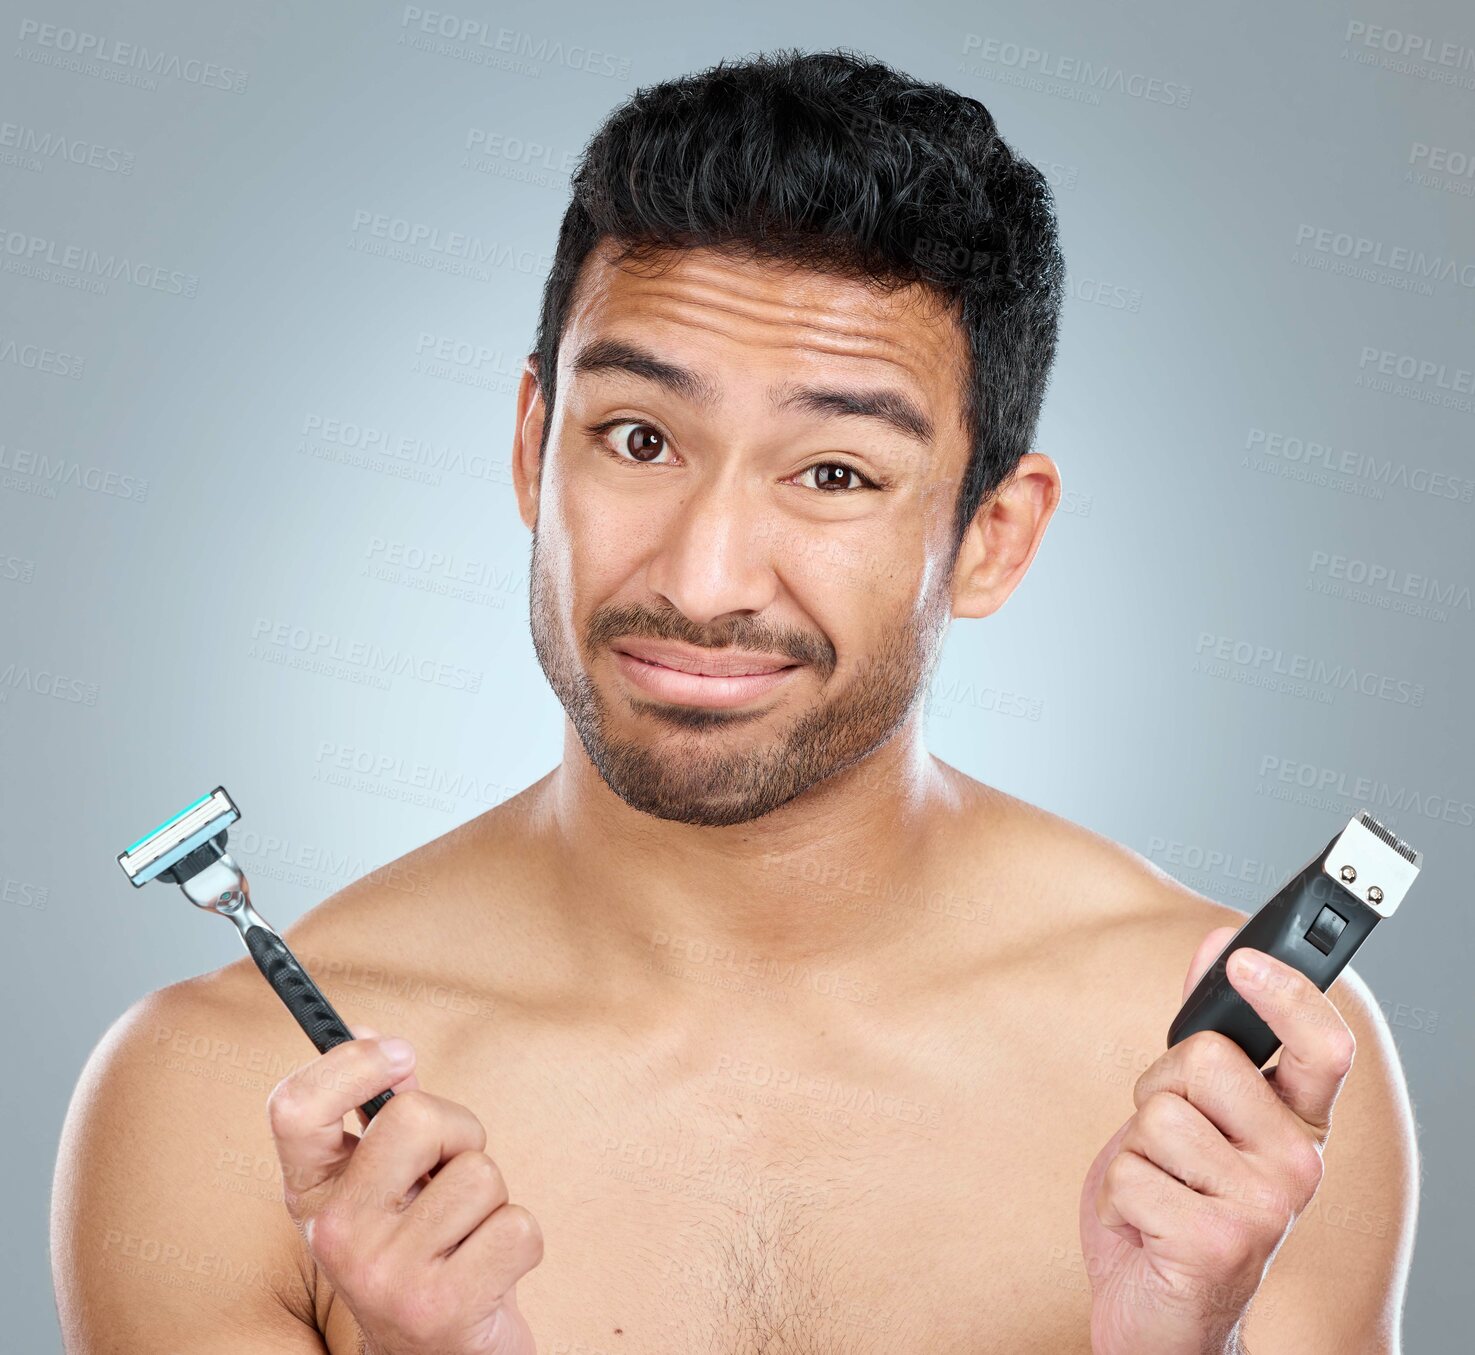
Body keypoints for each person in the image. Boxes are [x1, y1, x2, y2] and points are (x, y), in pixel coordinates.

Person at [52, 48, 1416, 1355]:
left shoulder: (1254, 1097)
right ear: (534, 447)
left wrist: (1196, 1347)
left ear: (993, 534)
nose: (703, 580)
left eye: (833, 473)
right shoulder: (221, 1100)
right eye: (640, 440)